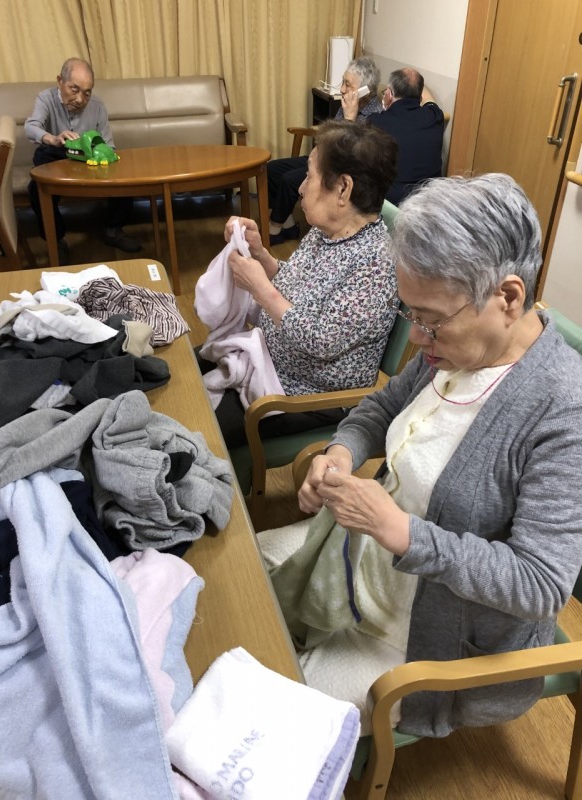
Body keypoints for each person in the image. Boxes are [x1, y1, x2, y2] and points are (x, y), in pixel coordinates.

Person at [259, 173, 582, 738]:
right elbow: (383, 406)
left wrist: (402, 533)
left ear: (508, 298)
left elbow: (538, 584)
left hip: (432, 635)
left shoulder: (563, 411)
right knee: (240, 582)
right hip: (366, 559)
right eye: (411, 315)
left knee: (274, 724)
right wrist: (342, 451)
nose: (417, 338)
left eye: (431, 319)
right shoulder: (453, 351)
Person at [196, 119, 399, 449]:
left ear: (343, 189)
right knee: (186, 368)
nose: (301, 188)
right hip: (270, 358)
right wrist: (261, 254)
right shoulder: (326, 231)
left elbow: (320, 341)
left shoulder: (376, 263)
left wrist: (262, 289)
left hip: (305, 394)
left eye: (310, 176)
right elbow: (297, 283)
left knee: (198, 427)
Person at [25, 58, 141, 263]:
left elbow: (108, 144)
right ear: (60, 81)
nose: (80, 99)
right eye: (74, 89)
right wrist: (53, 138)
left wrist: (102, 160)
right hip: (56, 155)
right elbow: (30, 127)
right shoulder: (45, 98)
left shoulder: (98, 106)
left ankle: (113, 229)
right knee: (36, 188)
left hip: (89, 158)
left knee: (124, 175)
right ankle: (56, 240)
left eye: (87, 93)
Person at [266, 56, 384, 245]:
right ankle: (288, 226)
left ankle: (274, 228)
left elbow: (348, 155)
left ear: (365, 91)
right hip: (324, 158)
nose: (342, 89)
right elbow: (329, 135)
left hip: (337, 168)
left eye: (348, 84)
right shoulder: (347, 103)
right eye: (343, 82)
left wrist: (350, 118)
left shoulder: (376, 115)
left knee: (289, 180)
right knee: (272, 169)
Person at [368, 67, 445, 205]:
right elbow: (428, 98)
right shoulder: (434, 116)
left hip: (392, 208)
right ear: (419, 98)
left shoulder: (375, 123)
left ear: (389, 94)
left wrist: (350, 116)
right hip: (432, 205)